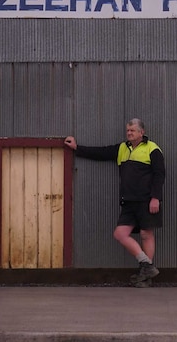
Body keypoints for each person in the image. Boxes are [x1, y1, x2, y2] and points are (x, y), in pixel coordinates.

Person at [64, 118, 165, 286]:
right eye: (128, 130)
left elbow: (159, 175)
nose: (129, 133)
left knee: (146, 234)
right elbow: (101, 153)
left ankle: (146, 278)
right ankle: (147, 265)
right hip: (128, 202)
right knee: (120, 234)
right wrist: (76, 148)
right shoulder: (122, 148)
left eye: (132, 130)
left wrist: (155, 198)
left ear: (142, 132)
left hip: (146, 201)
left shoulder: (152, 149)